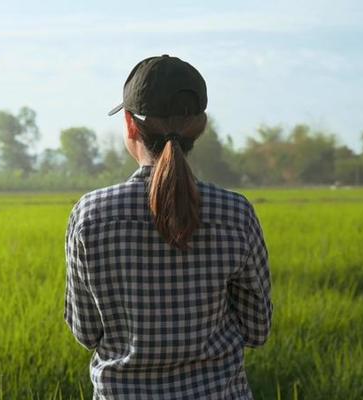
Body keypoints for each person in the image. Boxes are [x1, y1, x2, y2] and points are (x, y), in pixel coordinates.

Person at [64, 55, 273, 400]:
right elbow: (257, 329)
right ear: (200, 126)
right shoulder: (236, 214)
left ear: (131, 125)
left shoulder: (91, 215)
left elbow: (86, 332)